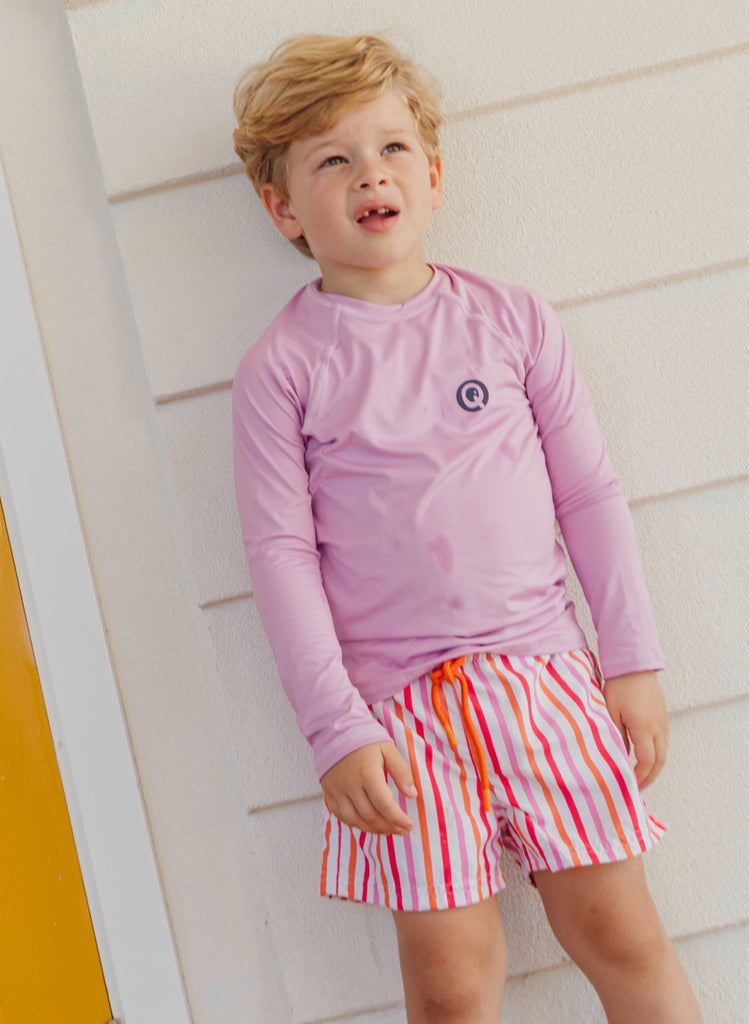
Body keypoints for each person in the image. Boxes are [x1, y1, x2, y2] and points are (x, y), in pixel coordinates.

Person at [231, 33, 703, 1024]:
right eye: (332, 160)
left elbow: (589, 495)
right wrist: (335, 728)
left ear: (434, 176)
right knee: (450, 986)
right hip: (397, 718)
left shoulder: (512, 322)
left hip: (545, 679)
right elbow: (280, 556)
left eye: (392, 149)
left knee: (620, 935)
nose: (370, 175)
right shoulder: (284, 369)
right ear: (283, 208)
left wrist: (632, 660)